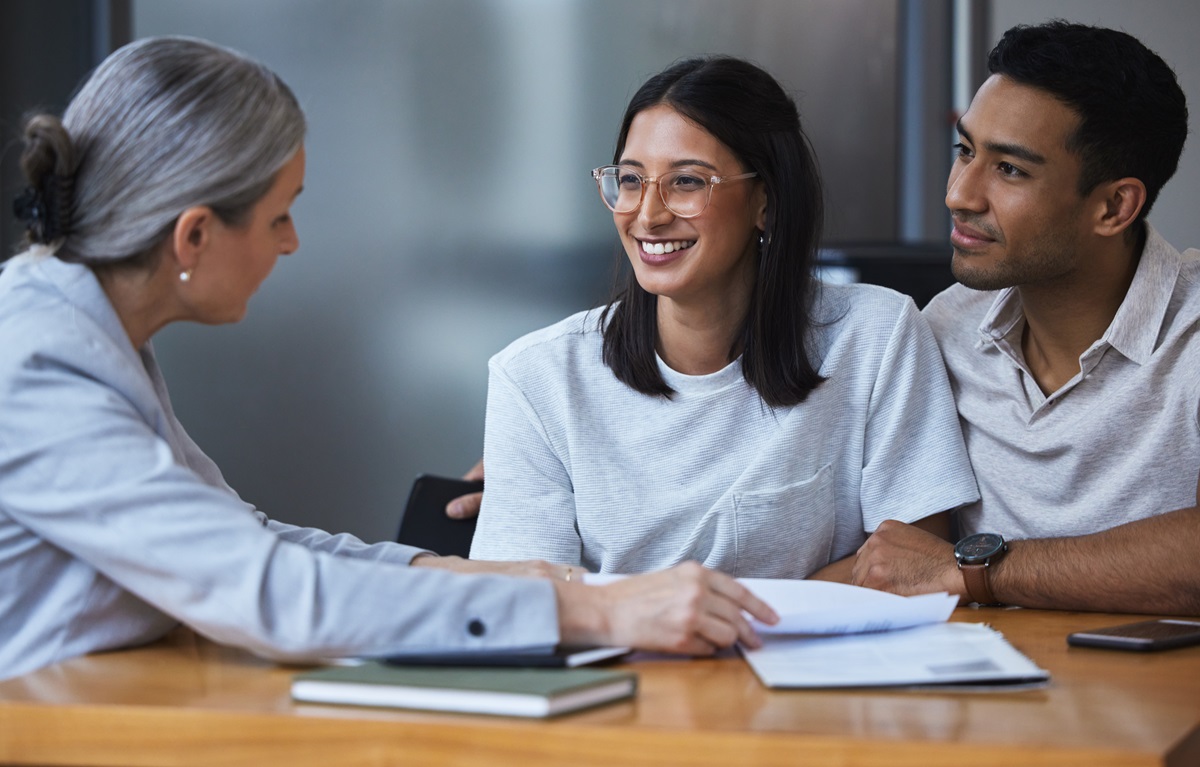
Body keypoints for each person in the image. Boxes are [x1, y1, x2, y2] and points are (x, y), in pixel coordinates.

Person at [0, 36, 780, 682]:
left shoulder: (89, 335)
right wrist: (593, 610)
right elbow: (270, 593)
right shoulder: (37, 366)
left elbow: (248, 537)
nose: (291, 242)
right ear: (194, 236)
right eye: (280, 215)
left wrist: (466, 575)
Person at [469, 57, 979, 579]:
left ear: (767, 200)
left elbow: (914, 566)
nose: (647, 215)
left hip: (819, 661)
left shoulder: (877, 335)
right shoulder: (535, 378)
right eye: (630, 179)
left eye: (686, 182)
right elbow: (523, 605)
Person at [852, 21, 1200, 616]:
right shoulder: (946, 328)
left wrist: (974, 570)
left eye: (1010, 169)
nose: (960, 194)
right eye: (965, 151)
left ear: (1114, 206)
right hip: (985, 690)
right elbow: (894, 555)